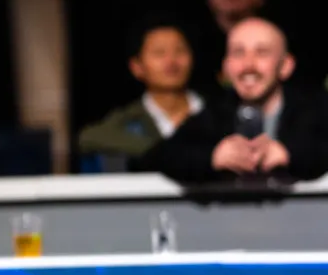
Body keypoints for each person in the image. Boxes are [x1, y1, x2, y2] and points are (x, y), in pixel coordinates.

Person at [139, 17, 328, 184]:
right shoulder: (217, 111)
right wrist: (213, 157)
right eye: (238, 53)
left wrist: (287, 154)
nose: (248, 65)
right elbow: (159, 156)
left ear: (285, 65)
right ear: (226, 66)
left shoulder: (315, 107)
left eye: (262, 52)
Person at [77, 22, 204, 167]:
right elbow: (87, 138)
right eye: (159, 53)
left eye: (179, 51)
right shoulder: (128, 120)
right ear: (137, 67)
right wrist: (165, 152)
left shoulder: (213, 110)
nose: (171, 61)